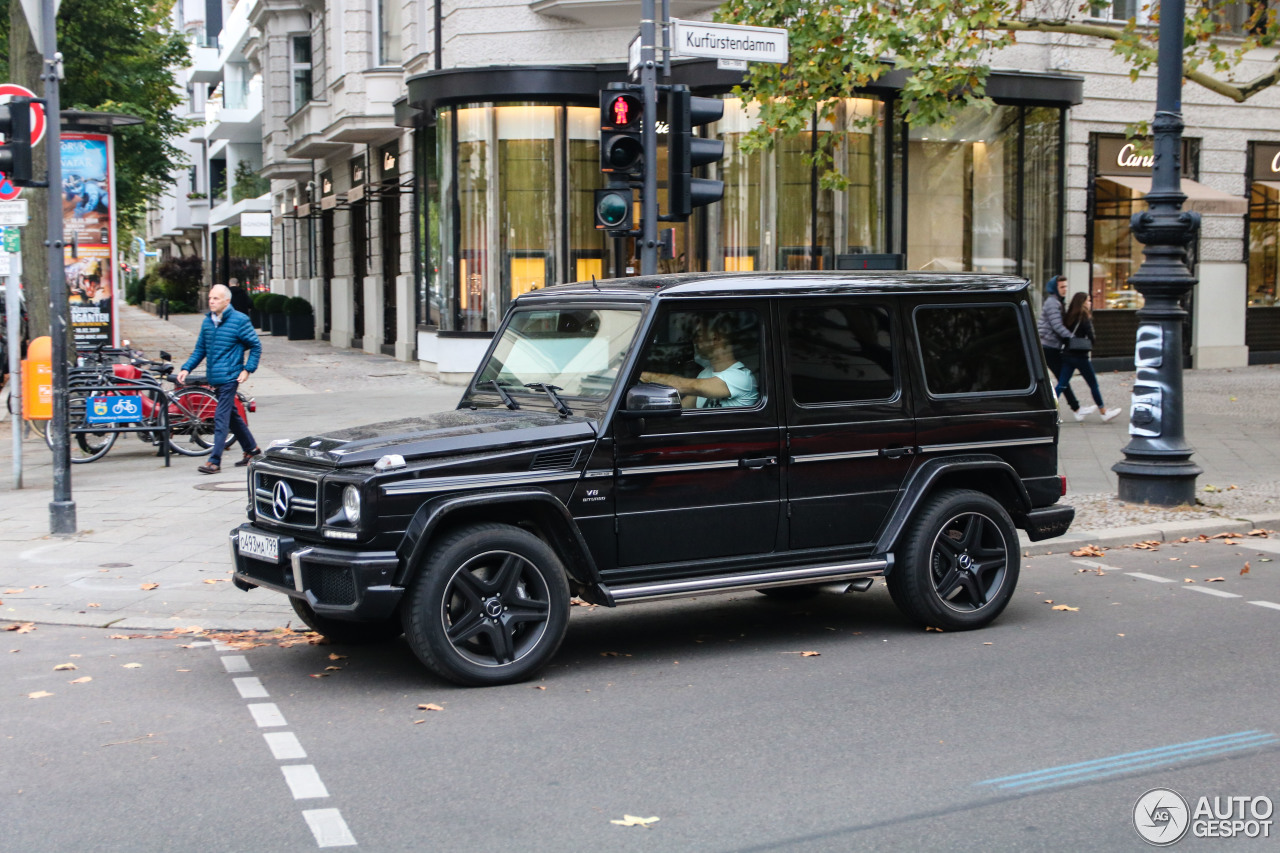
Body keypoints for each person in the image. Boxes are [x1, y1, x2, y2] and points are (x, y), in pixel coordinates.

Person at [177, 284, 262, 473]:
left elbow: (256, 346)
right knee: (232, 416)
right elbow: (200, 349)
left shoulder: (240, 320)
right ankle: (252, 450)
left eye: (216, 298)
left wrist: (247, 370)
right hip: (215, 377)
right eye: (210, 298)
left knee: (221, 417)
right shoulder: (208, 322)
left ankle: (214, 461)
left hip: (231, 376)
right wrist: (186, 368)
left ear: (227, 301)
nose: (211, 301)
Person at [640, 312, 759, 408]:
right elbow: (684, 407)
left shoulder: (740, 377)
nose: (694, 341)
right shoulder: (705, 374)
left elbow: (687, 386)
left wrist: (644, 376)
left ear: (715, 338)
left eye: (698, 335)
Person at [1054, 292, 1121, 423]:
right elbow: (1092, 337)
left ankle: (1049, 408)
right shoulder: (1085, 317)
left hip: (1067, 354)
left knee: (1062, 384)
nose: (1090, 303)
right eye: (1088, 301)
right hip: (1081, 356)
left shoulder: (1068, 316)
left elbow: (1063, 334)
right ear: (1083, 302)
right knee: (1093, 384)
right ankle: (1103, 412)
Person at [1037, 275, 1089, 420]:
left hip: (1051, 345)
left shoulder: (1058, 302)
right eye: (1062, 287)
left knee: (1062, 379)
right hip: (1048, 346)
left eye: (1066, 286)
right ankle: (1073, 409)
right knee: (1062, 379)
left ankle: (1075, 408)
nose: (1065, 289)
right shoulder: (1052, 303)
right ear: (1055, 288)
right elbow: (1057, 325)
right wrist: (1072, 338)